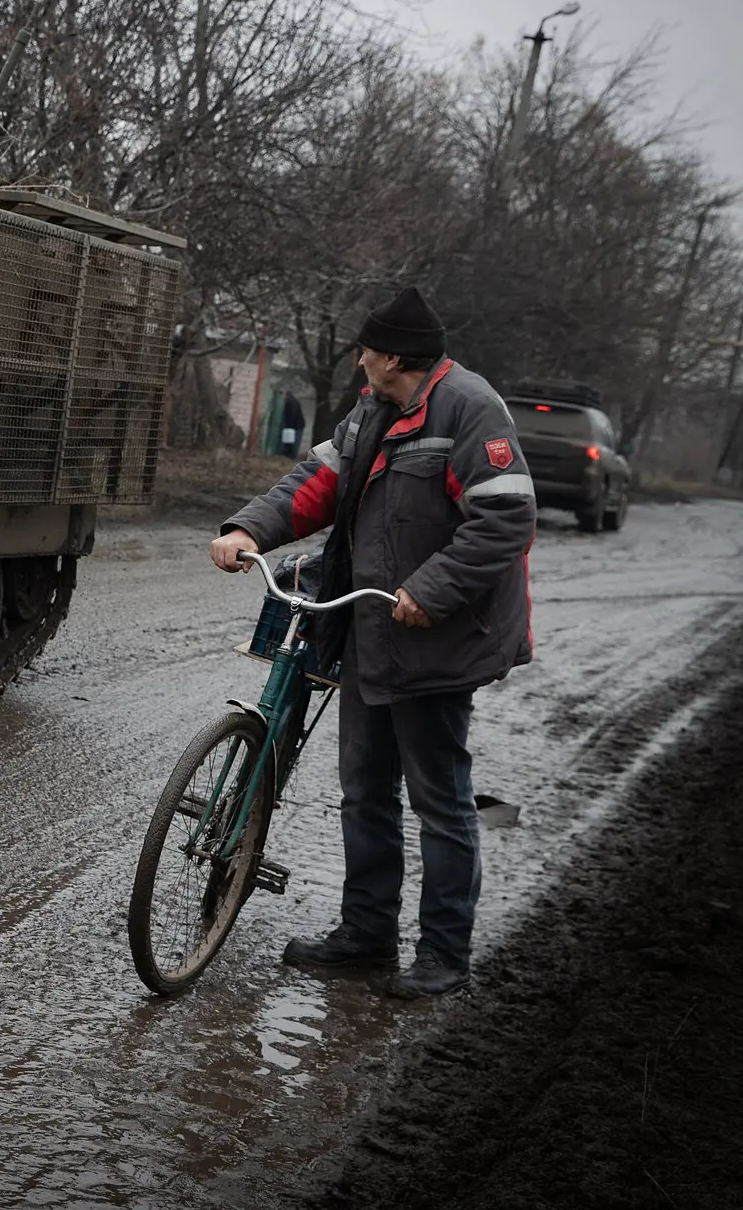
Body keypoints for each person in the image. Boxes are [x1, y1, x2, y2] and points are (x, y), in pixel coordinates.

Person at [209, 287, 536, 998]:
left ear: (392, 356)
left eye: (364, 350)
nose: (359, 362)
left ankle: (445, 955)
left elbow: (507, 517)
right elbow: (316, 482)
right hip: (370, 627)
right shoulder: (372, 410)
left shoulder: (470, 408)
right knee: (364, 789)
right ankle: (366, 933)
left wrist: (434, 588)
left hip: (437, 637)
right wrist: (248, 529)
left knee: (439, 798)